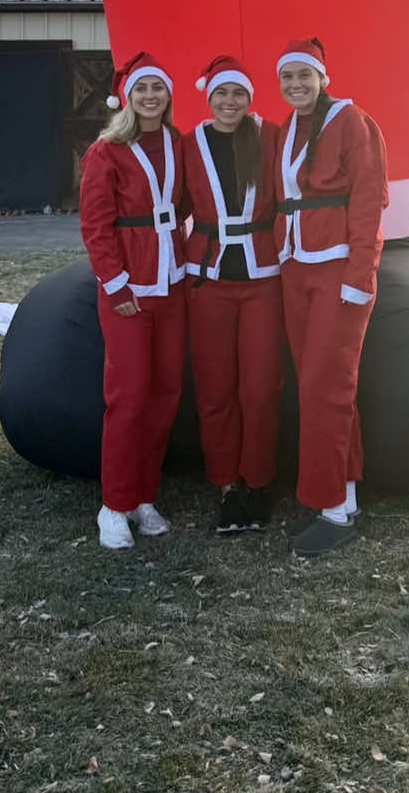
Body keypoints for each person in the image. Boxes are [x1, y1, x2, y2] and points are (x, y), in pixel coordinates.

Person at [274, 37, 387, 557]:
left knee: (325, 385)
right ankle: (346, 493)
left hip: (339, 268)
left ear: (324, 77)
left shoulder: (353, 121)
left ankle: (332, 512)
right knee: (319, 384)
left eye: (305, 75)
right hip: (296, 267)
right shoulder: (287, 129)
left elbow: (368, 200)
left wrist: (359, 275)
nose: (296, 85)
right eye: (287, 77)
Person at [78, 51, 188, 550]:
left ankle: (144, 496)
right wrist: (116, 284)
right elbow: (96, 226)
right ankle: (114, 505)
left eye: (158, 88)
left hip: (173, 283)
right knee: (129, 397)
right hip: (129, 291)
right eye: (141, 88)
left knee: (164, 395)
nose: (150, 96)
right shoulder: (106, 152)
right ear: (128, 96)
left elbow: (187, 203)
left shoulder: (178, 144)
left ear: (168, 95)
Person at [182, 54, 283, 535]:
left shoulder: (272, 136)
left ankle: (258, 481)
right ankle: (227, 486)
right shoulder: (189, 144)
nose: (229, 102)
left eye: (238, 93)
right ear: (209, 98)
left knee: (260, 390)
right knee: (216, 390)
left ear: (250, 98)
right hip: (207, 280)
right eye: (221, 93)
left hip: (263, 278)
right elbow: (168, 199)